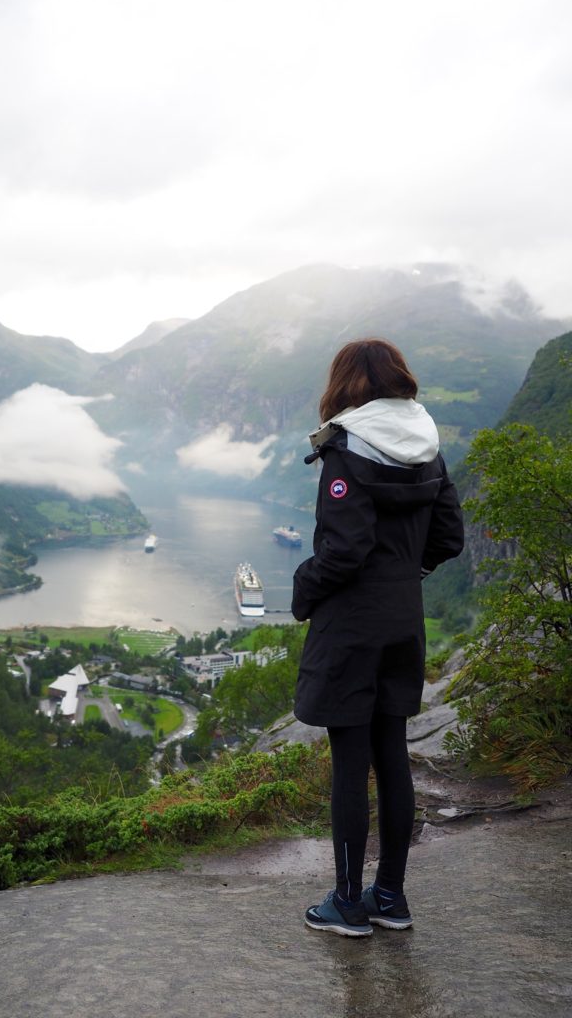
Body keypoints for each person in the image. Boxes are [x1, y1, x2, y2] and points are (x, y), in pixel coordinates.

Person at [292, 338, 464, 937]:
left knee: (349, 762)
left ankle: (346, 903)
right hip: (403, 622)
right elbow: (447, 539)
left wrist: (303, 589)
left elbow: (343, 552)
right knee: (392, 754)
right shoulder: (427, 447)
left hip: (351, 627)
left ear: (345, 384)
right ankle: (389, 896)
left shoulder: (345, 450)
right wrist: (405, 576)